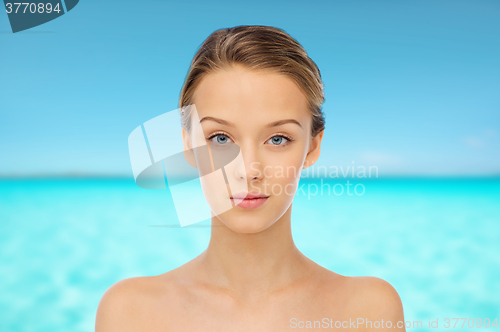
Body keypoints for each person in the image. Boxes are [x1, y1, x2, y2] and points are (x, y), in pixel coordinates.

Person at [95, 25, 405, 331]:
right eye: (220, 138)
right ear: (188, 145)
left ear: (313, 146)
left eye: (278, 139)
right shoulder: (129, 313)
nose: (248, 169)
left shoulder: (369, 310)